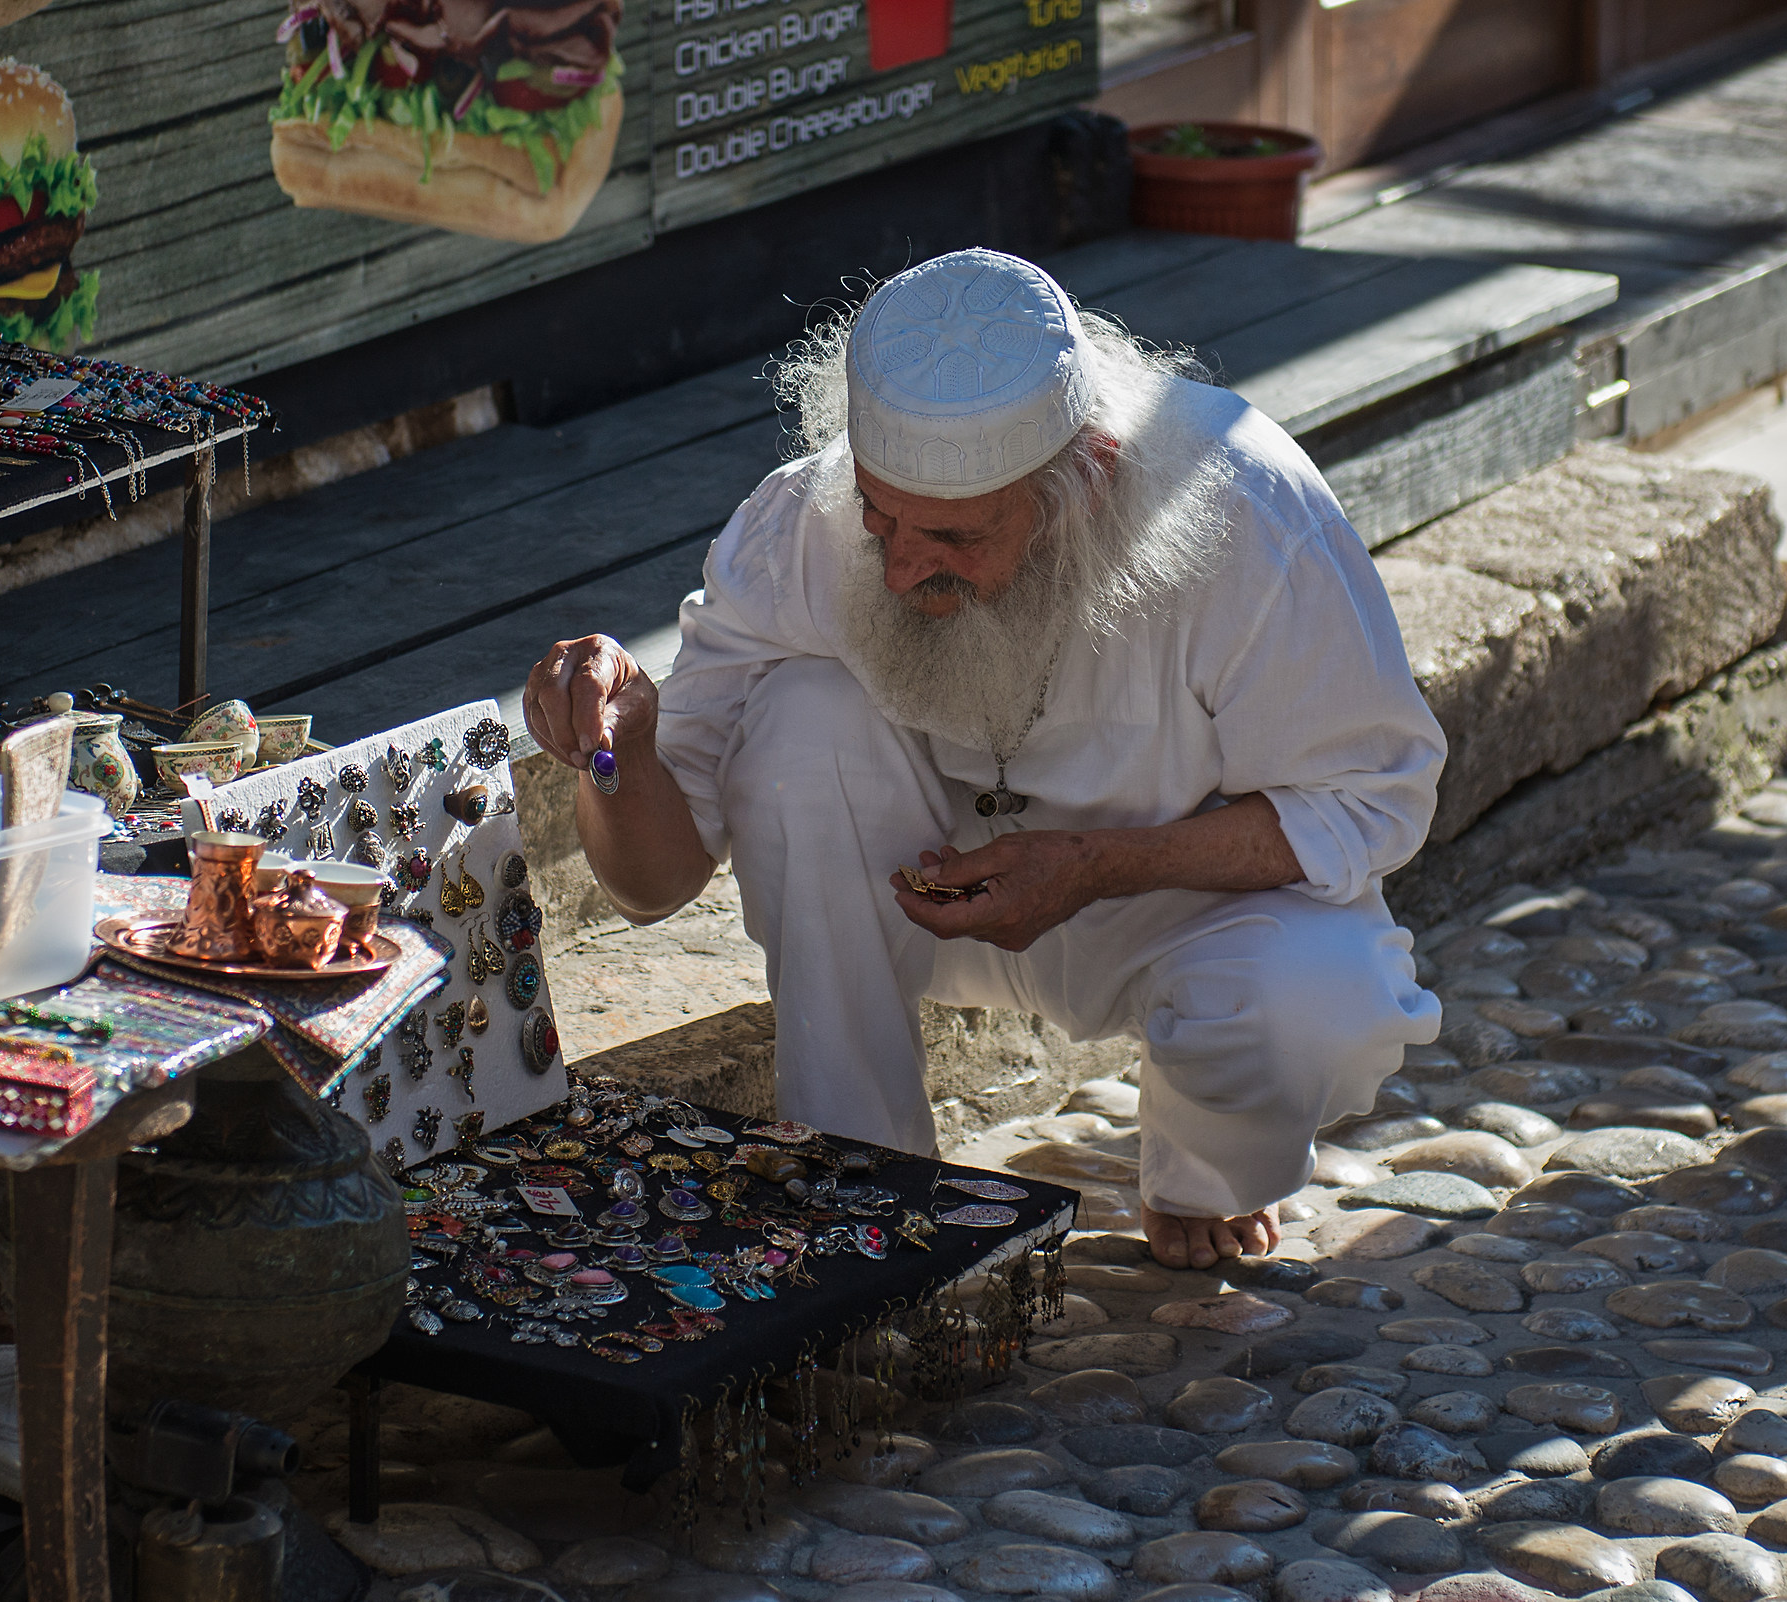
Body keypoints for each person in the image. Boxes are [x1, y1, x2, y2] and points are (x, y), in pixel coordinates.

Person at [522, 248, 1444, 1270]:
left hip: (1173, 911)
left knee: (1323, 1000)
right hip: (917, 898)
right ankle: (860, 1177)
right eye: (882, 520)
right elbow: (653, 882)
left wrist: (1094, 865)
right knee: (802, 717)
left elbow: (1370, 803)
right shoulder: (804, 520)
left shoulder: (1248, 512)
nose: (908, 566)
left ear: (1085, 482)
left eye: (955, 536)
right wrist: (621, 753)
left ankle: (1204, 1166)